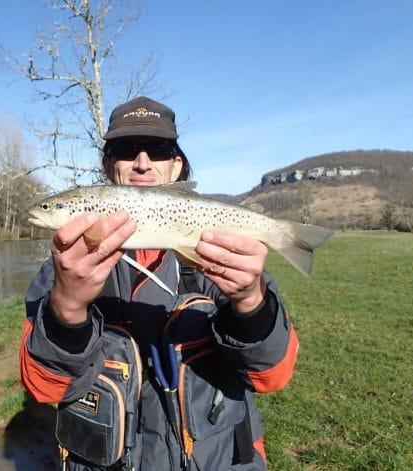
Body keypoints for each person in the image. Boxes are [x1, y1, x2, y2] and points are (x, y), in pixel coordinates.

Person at [20, 97, 298, 470]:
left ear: (177, 166)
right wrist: (67, 306)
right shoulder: (64, 269)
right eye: (126, 149)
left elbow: (272, 375)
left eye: (158, 149)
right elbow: (42, 388)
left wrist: (250, 301)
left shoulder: (218, 256)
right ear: (107, 165)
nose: (142, 162)